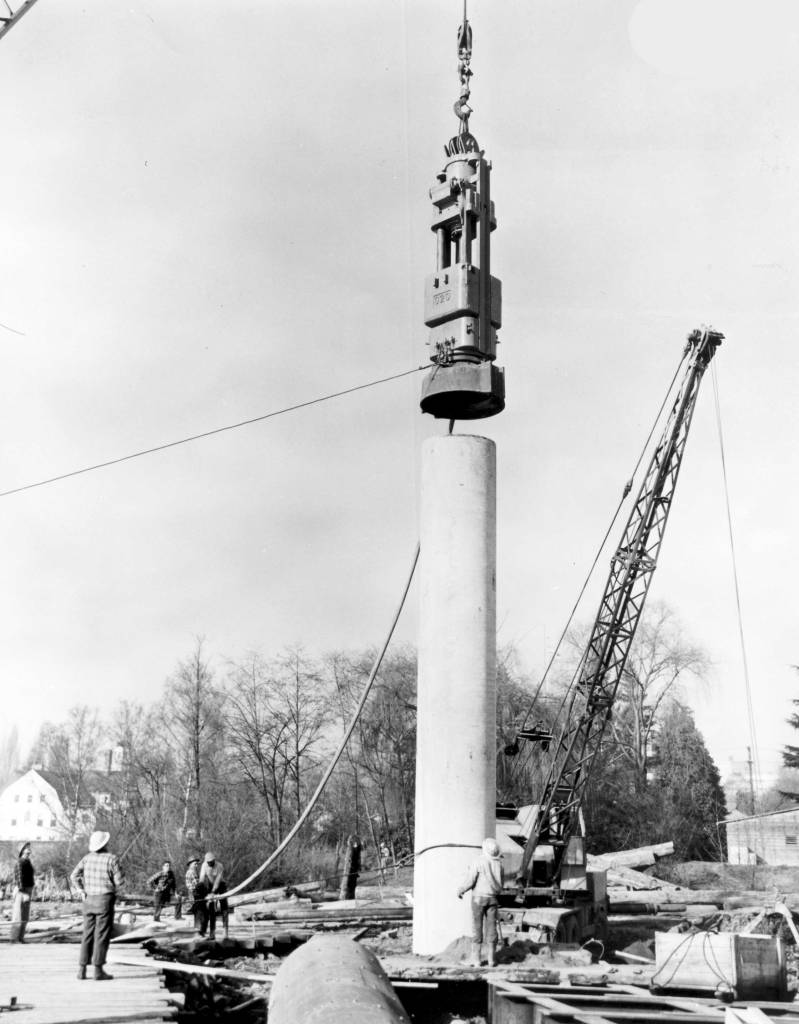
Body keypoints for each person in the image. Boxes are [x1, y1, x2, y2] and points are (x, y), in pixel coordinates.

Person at [70, 830, 124, 981]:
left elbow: (73, 876)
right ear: (105, 843)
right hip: (104, 900)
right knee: (101, 935)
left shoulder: (86, 858)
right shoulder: (112, 859)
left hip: (88, 900)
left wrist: (81, 890)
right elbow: (120, 882)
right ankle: (98, 970)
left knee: (87, 934)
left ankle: (81, 969)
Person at [457, 837, 505, 968]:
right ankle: (491, 960)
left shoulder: (478, 861)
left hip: (478, 899)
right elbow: (502, 885)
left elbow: (470, 880)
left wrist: (461, 890)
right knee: (492, 928)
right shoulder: (500, 865)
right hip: (493, 900)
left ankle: (476, 960)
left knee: (477, 929)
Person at [199, 851, 229, 940]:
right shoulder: (204, 865)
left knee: (224, 908)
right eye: (208, 862)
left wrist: (213, 892)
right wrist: (202, 891)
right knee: (211, 909)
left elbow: (217, 881)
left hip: (220, 885)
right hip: (210, 885)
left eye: (211, 862)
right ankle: (212, 934)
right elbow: (201, 879)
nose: (210, 863)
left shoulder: (219, 866)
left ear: (214, 860)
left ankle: (225, 932)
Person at [10, 842, 35, 943]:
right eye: (27, 848)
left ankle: (20, 938)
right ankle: (14, 938)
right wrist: (23, 892)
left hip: (28, 890)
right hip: (22, 891)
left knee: (25, 917)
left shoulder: (27, 862)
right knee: (18, 916)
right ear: (22, 850)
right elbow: (18, 878)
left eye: (29, 847)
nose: (29, 849)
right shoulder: (20, 862)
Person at [185, 855, 208, 936]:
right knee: (199, 914)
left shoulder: (194, 872)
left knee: (200, 914)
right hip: (195, 895)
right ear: (190, 864)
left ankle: (199, 931)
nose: (196, 865)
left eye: (197, 864)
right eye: (195, 864)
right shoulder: (190, 872)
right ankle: (198, 932)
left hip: (197, 894)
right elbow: (193, 886)